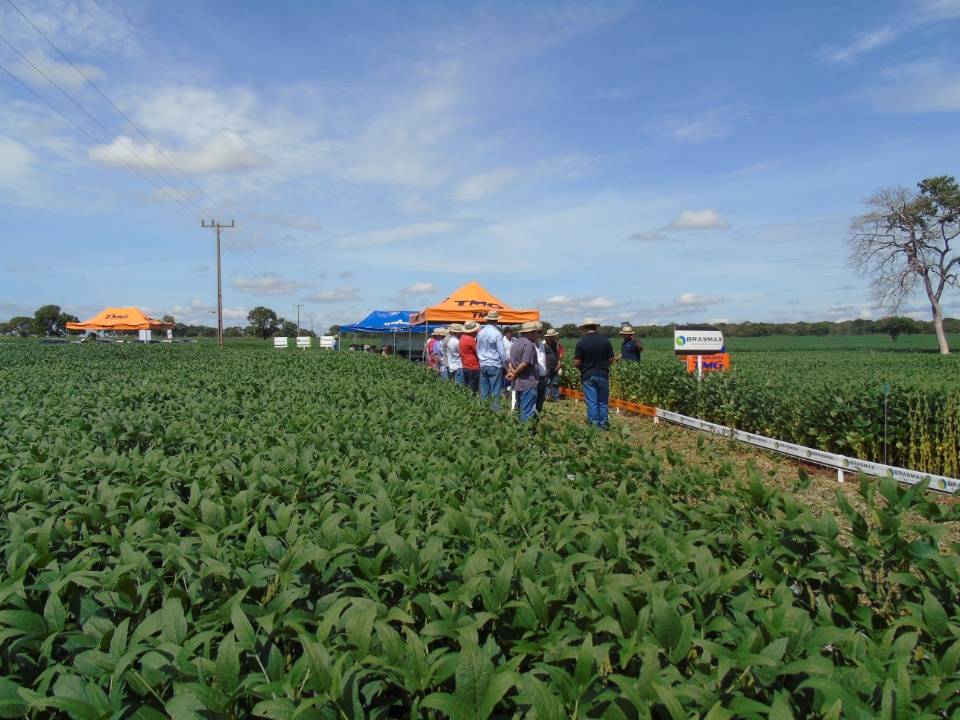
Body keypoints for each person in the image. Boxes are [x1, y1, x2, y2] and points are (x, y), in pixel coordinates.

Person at [573, 317, 614, 429]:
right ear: (595, 327)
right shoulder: (605, 341)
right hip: (603, 374)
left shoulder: (581, 343)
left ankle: (594, 427)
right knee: (603, 402)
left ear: (585, 329)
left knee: (592, 403)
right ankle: (604, 426)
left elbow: (576, 362)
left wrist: (582, 369)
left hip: (588, 375)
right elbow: (611, 359)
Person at [506, 321, 540, 425]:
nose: (537, 335)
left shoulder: (515, 343)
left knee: (519, 407)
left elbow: (510, 362)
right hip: (528, 382)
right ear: (530, 333)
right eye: (536, 333)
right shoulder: (528, 344)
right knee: (527, 411)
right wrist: (515, 373)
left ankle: (517, 432)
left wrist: (512, 371)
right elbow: (525, 363)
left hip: (518, 383)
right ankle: (525, 436)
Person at [476, 310, 509, 409]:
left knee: (484, 391)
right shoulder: (497, 333)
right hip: (494, 364)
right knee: (495, 392)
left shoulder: (480, 333)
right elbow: (502, 353)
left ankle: (483, 412)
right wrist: (508, 366)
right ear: (496, 321)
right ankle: (496, 414)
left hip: (483, 363)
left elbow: (477, 349)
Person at [459, 320, 481, 393]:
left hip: (466, 365)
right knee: (472, 390)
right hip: (473, 367)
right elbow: (477, 351)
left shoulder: (462, 337)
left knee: (468, 388)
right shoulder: (470, 339)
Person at [543, 328, 564, 401]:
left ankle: (556, 398)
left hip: (555, 366)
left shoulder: (556, 344)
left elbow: (558, 354)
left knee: (555, 383)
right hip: (547, 367)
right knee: (547, 382)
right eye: (553, 336)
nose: (555, 337)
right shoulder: (543, 344)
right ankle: (545, 397)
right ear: (549, 337)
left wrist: (559, 363)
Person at [534, 324, 548, 414]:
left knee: (540, 403)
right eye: (538, 332)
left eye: (541, 332)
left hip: (543, 377)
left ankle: (535, 424)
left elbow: (544, 360)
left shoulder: (541, 344)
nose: (540, 334)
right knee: (532, 403)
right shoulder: (529, 345)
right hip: (534, 378)